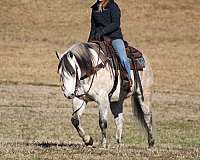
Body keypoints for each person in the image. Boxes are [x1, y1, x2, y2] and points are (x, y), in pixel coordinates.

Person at [88, 0, 132, 86]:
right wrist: (89, 42)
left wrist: (102, 32)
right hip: (99, 39)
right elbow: (93, 27)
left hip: (114, 38)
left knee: (123, 57)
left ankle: (128, 79)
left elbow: (116, 24)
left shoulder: (113, 6)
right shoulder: (94, 8)